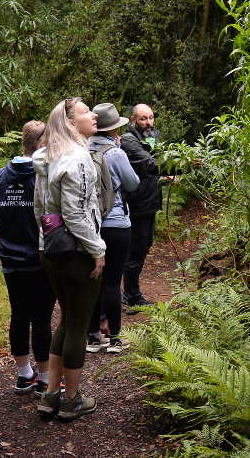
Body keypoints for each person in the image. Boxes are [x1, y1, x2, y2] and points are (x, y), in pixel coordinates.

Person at [32, 98, 106, 421]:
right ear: (70, 122)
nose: (93, 114)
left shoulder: (47, 157)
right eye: (86, 111)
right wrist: (97, 249)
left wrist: (48, 239)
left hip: (49, 249)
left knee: (65, 319)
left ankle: (50, 395)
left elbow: (38, 209)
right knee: (78, 324)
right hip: (76, 252)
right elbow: (76, 213)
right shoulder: (77, 158)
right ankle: (72, 399)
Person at [0, 120, 54, 396]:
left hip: (10, 259)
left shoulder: (2, 175)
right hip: (39, 260)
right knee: (41, 319)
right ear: (41, 144)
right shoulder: (42, 176)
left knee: (19, 315)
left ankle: (24, 374)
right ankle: (45, 378)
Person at [85, 103, 139, 354]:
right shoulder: (116, 153)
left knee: (94, 279)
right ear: (114, 128)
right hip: (116, 222)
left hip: (90, 224)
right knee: (112, 281)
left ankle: (93, 336)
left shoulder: (82, 150)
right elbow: (133, 183)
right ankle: (116, 338)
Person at [119, 103, 166, 310]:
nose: (148, 122)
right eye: (143, 119)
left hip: (150, 202)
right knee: (135, 251)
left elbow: (152, 168)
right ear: (133, 120)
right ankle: (131, 296)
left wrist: (164, 177)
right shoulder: (129, 140)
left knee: (143, 247)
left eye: (151, 117)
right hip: (136, 204)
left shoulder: (152, 136)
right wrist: (184, 165)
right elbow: (149, 164)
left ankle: (130, 293)